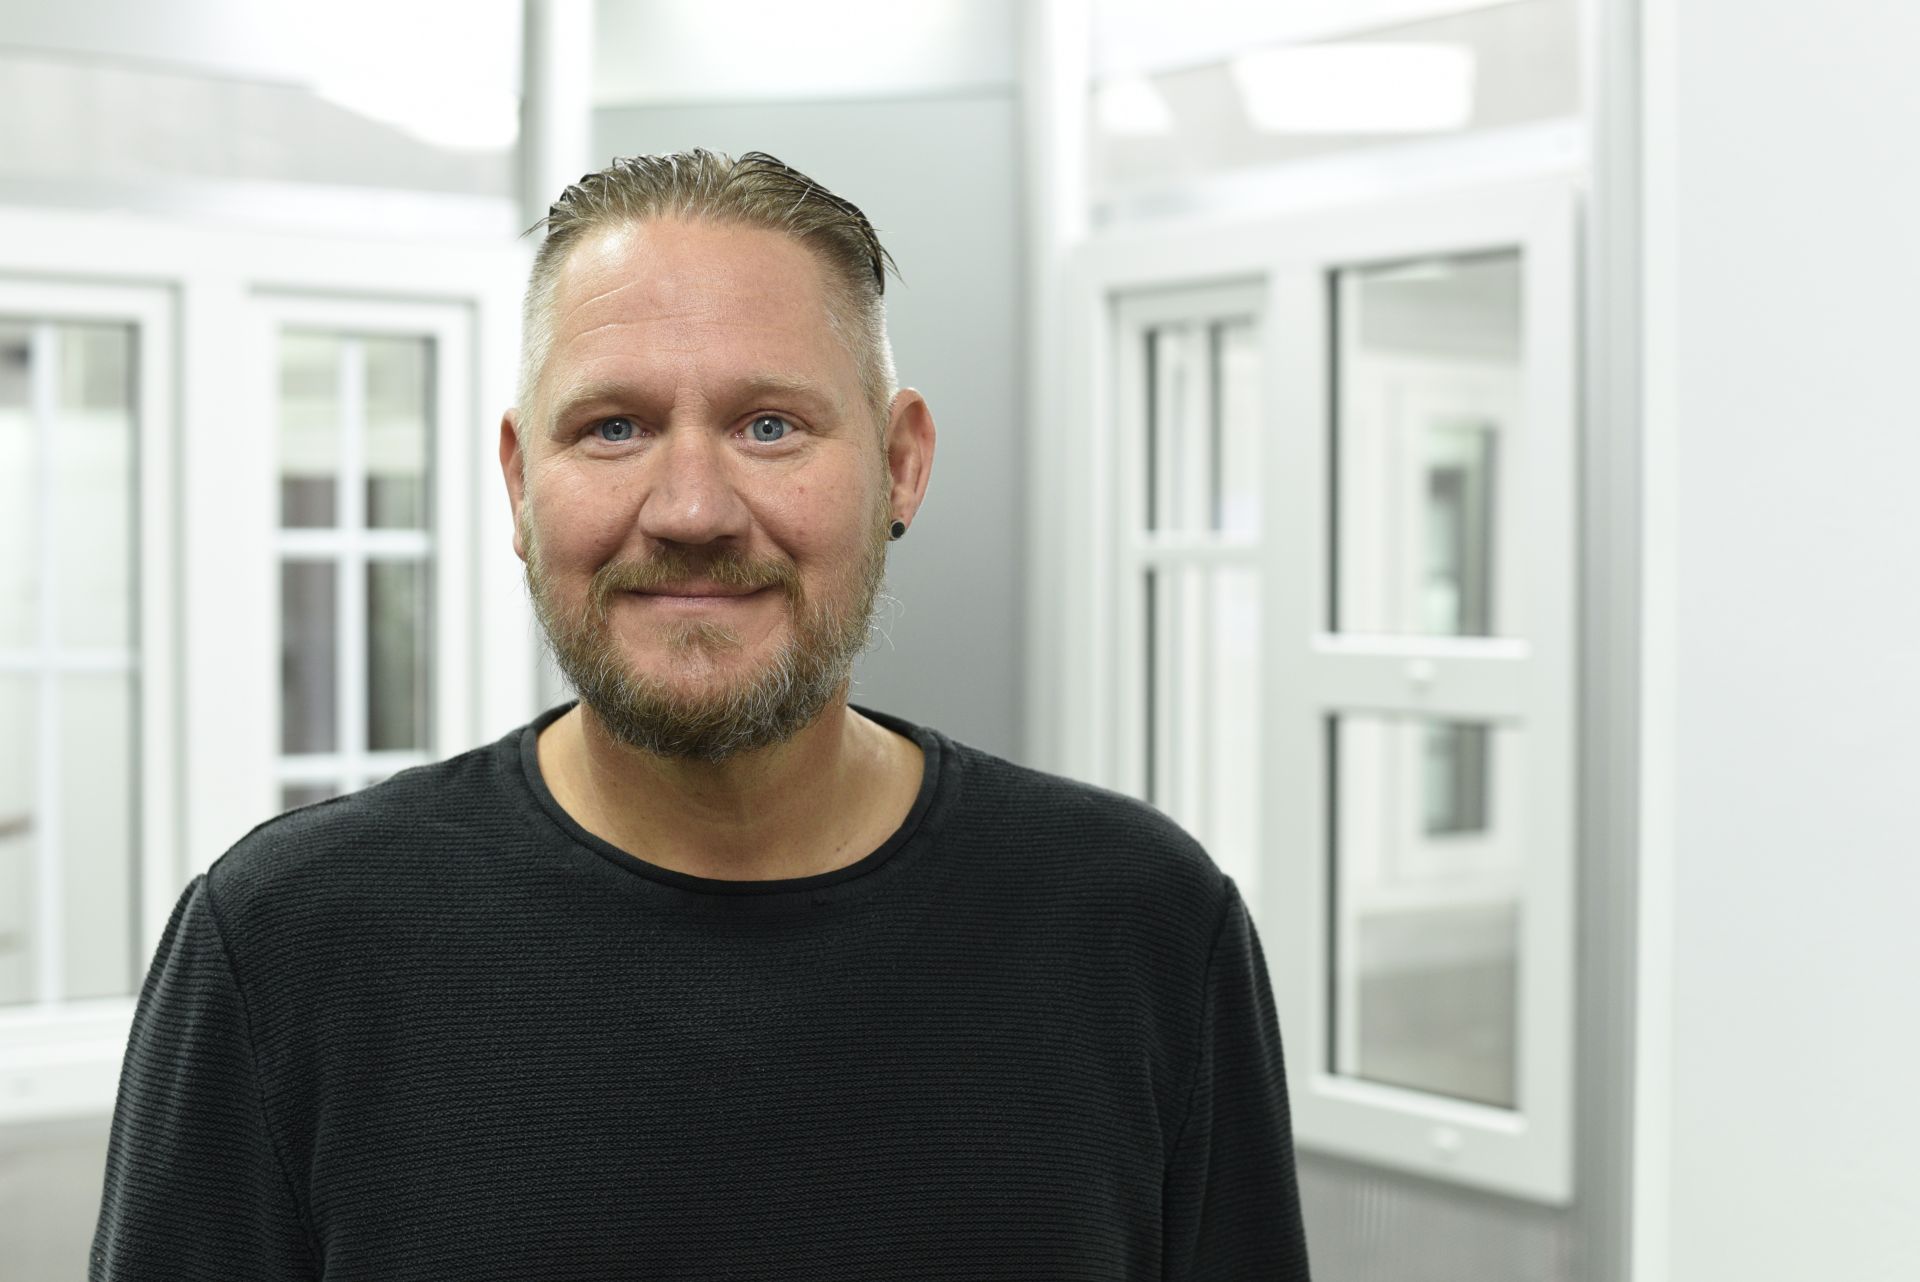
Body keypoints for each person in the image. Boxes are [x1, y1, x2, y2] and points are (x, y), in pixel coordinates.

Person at [91, 149, 1311, 1280]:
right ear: (519, 483)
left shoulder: (1142, 926)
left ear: (901, 463)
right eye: (613, 427)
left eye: (769, 426)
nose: (690, 510)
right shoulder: (286, 946)